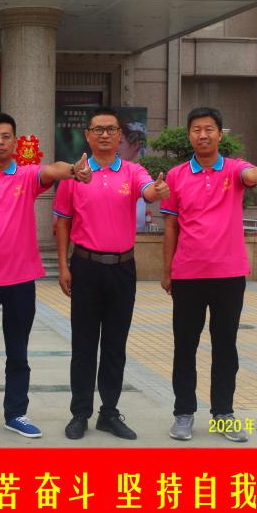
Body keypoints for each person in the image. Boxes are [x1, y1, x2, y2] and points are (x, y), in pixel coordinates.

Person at [0, 112, 92, 439]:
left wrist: (73, 170)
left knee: (18, 352)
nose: (0, 142)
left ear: (15, 142)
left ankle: (16, 413)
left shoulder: (27, 176)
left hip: (20, 281)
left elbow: (52, 170)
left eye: (6, 136)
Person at [161, 107, 257, 443]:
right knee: (184, 346)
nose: (202, 135)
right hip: (188, 274)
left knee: (225, 347)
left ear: (220, 134)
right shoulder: (175, 176)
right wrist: (167, 270)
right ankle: (184, 412)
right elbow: (171, 225)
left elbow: (254, 174)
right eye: (196, 129)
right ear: (189, 135)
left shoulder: (233, 169)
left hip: (229, 275)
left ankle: (223, 414)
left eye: (209, 129)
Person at [54, 107, 170, 441]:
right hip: (85, 267)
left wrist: (156, 190)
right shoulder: (75, 174)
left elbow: (148, 190)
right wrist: (63, 265)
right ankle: (80, 413)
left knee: (115, 345)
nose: (105, 135)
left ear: (120, 136)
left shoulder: (132, 171)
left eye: (111, 129)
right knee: (84, 344)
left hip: (122, 268)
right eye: (98, 129)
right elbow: (62, 223)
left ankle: (109, 412)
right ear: (87, 135)